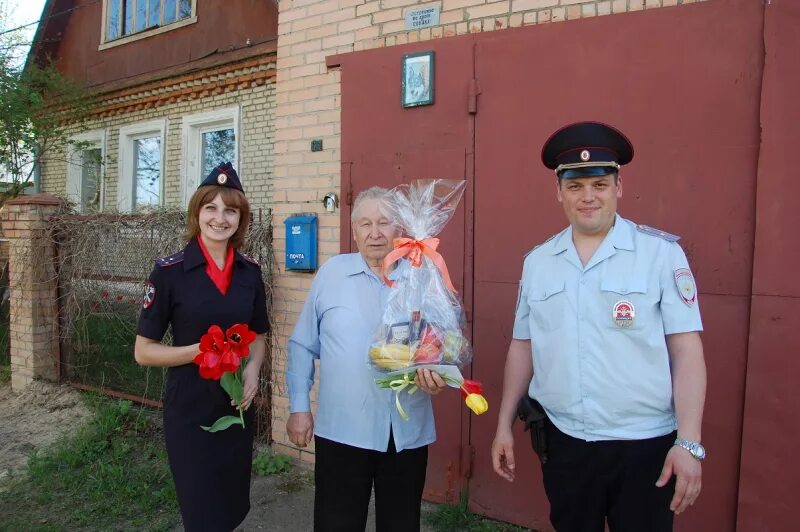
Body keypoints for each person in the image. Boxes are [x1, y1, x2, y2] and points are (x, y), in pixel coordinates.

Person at [491, 122, 707, 531]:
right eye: (575, 187)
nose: (588, 197)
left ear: (618, 187)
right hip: (565, 443)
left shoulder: (661, 255)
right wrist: (503, 425)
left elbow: (687, 351)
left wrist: (689, 442)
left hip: (644, 446)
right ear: (559, 191)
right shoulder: (538, 262)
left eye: (599, 184)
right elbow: (523, 347)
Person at [286, 186, 446, 532]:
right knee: (336, 523)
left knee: (402, 524)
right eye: (365, 224)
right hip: (342, 430)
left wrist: (438, 372)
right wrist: (299, 407)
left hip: (404, 435)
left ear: (399, 228)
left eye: (384, 222)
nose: (375, 233)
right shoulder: (332, 275)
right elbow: (302, 345)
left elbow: (444, 342)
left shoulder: (423, 276)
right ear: (354, 230)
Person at [134, 162, 269, 531]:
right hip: (190, 411)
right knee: (201, 512)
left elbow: (258, 335)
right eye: (211, 207)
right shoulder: (170, 272)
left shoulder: (250, 273)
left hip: (235, 406)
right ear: (197, 212)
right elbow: (144, 351)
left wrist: (254, 368)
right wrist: (197, 352)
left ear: (241, 218)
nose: (220, 218)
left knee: (231, 505)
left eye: (230, 210)